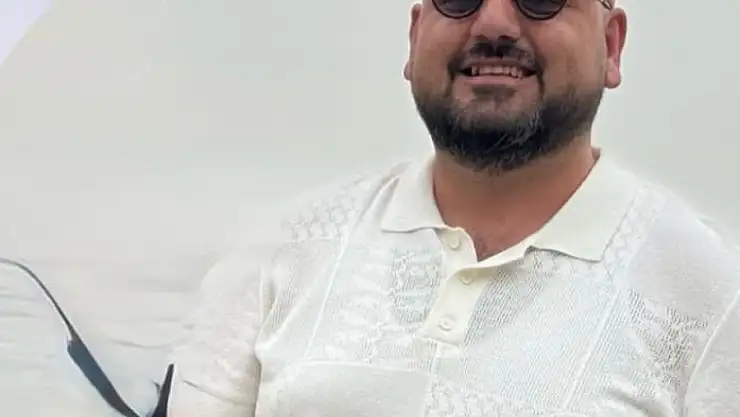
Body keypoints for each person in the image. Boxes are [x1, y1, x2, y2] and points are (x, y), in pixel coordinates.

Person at [167, 0, 740, 415]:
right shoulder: (280, 252)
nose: (493, 24)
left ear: (611, 45)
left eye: (541, 1)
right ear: (415, 36)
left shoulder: (711, 297)